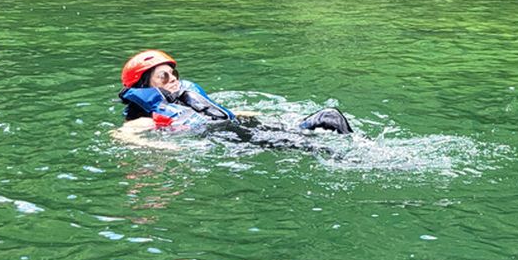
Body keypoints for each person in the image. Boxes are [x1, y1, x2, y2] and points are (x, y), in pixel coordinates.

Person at [116, 49, 353, 151]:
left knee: (330, 116)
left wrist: (267, 116)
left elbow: (225, 112)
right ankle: (352, 156)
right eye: (163, 77)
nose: (173, 80)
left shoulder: (186, 100)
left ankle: (356, 144)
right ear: (144, 86)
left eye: (173, 73)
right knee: (314, 145)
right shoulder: (147, 119)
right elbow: (122, 135)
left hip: (243, 127)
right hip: (234, 140)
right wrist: (163, 146)